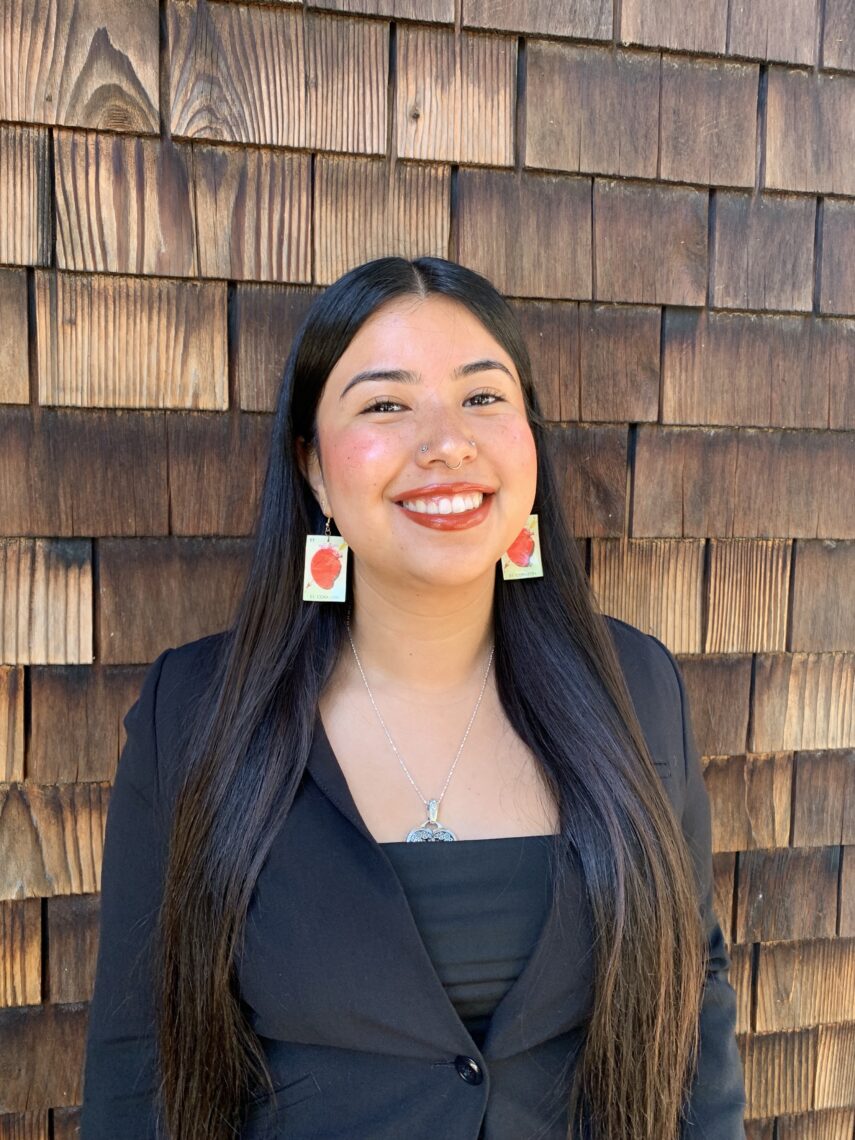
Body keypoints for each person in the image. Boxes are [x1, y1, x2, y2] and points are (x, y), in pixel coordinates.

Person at [80, 256, 747, 1140]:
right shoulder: (191, 713)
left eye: (482, 398)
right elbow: (138, 1056)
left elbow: (691, 995)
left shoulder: (637, 687)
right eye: (386, 404)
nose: (446, 441)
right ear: (313, 467)